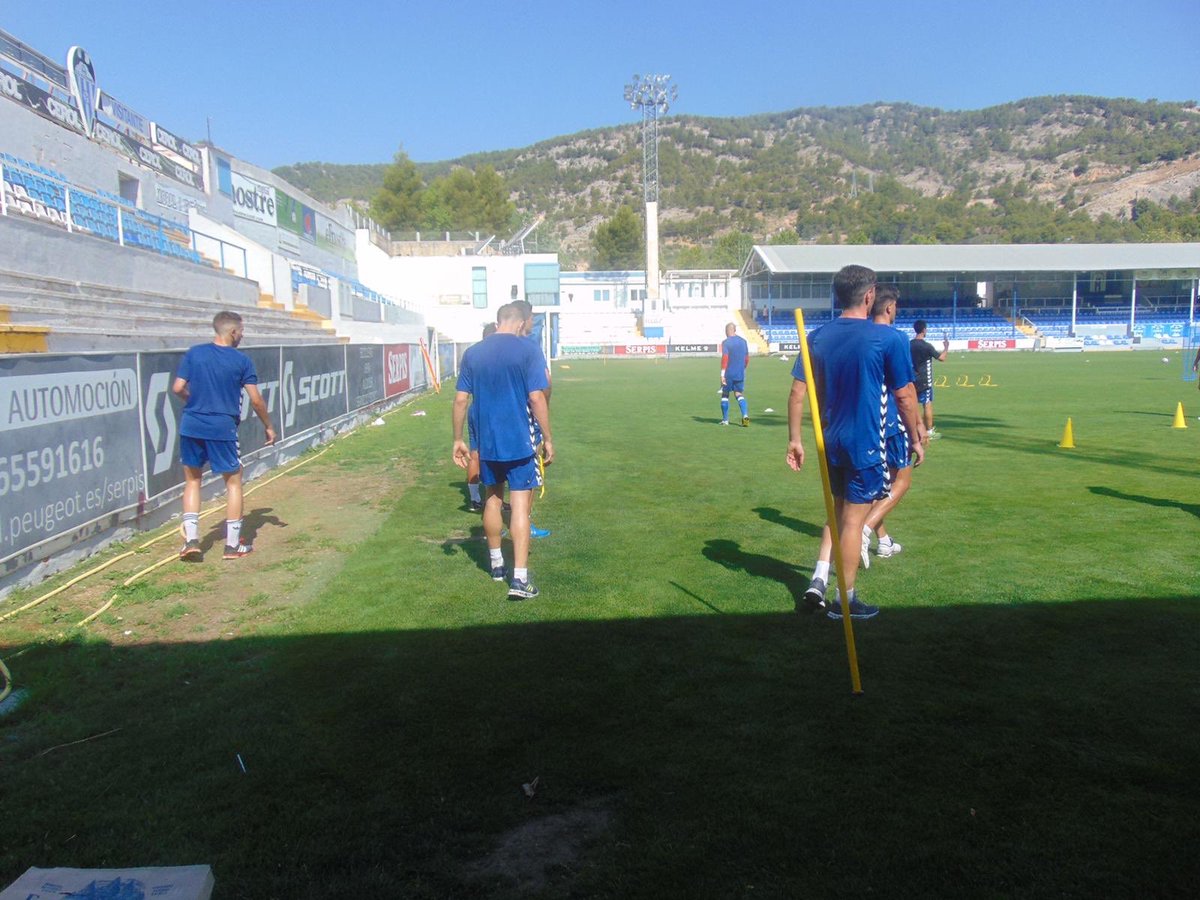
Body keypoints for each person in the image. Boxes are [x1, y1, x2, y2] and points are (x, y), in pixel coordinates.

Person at [786, 266, 923, 620]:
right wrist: (916, 436)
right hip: (866, 442)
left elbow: (801, 391)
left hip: (829, 441)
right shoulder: (887, 339)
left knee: (840, 511)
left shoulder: (816, 336)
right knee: (852, 522)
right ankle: (844, 601)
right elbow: (905, 396)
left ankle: (828, 584)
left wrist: (795, 439)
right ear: (869, 295)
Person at [453, 303, 554, 600]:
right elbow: (537, 396)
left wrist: (457, 439)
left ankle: (496, 564)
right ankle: (519, 580)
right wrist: (548, 437)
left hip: (487, 443)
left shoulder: (473, 352)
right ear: (521, 322)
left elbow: (461, 400)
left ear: (498, 322)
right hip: (519, 441)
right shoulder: (528, 350)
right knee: (521, 506)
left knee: (492, 500)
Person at [173, 310, 276, 561]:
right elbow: (256, 400)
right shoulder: (241, 361)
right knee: (233, 481)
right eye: (241, 331)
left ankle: (191, 542)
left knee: (193, 480)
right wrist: (268, 426)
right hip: (222, 427)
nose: (242, 336)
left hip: (191, 424)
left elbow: (178, 388)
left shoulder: (194, 353)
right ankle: (232, 546)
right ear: (232, 332)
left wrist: (194, 401)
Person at [861, 285, 924, 561]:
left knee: (879, 487)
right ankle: (863, 530)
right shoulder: (896, 338)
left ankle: (883, 540)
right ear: (889, 308)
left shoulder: (859, 336)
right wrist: (918, 430)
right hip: (892, 424)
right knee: (902, 481)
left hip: (865, 423)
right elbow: (906, 391)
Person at [465, 322, 497, 512]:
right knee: (494, 455)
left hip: (475, 409)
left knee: (475, 453)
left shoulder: (473, 355)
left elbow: (463, 394)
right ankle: (493, 498)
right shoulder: (496, 358)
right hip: (491, 411)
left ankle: (475, 498)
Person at [911, 319, 949, 438]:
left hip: (911, 379)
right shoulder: (926, 346)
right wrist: (946, 347)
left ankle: (912, 430)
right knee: (927, 404)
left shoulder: (908, 344)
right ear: (924, 330)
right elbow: (941, 358)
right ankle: (929, 431)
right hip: (924, 381)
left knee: (912, 405)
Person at [719, 323, 750, 426]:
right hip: (740, 373)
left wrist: (722, 374)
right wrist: (743, 368)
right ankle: (745, 416)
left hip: (729, 374)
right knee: (739, 394)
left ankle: (725, 420)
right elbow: (747, 359)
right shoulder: (743, 342)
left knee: (725, 394)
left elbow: (725, 358)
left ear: (727, 331)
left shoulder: (726, 343)